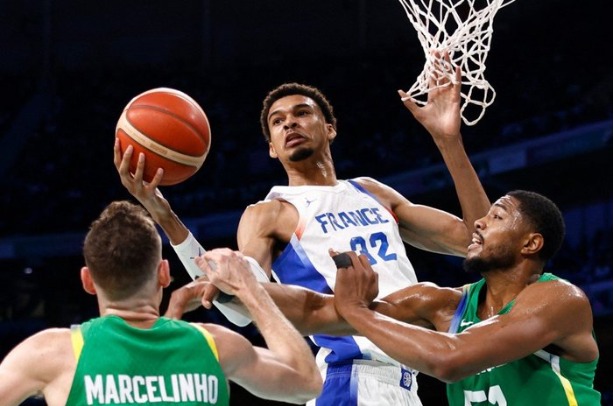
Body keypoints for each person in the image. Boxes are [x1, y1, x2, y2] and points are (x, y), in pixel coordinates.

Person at [114, 58, 490, 405]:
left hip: (408, 378)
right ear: (273, 150)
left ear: (330, 128)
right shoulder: (270, 213)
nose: (289, 123)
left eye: (301, 113)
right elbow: (242, 301)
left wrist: (448, 140)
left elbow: (482, 242)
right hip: (350, 378)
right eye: (277, 122)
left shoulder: (372, 192)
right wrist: (164, 215)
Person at [168, 190, 602, 405]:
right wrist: (244, 285)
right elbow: (320, 310)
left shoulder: (560, 300)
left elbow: (451, 359)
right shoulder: (444, 302)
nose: (479, 224)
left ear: (531, 244)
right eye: (483, 216)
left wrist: (357, 309)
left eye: (497, 216)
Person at [0, 201, 321, 406]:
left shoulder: (50, 353)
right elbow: (306, 382)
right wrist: (252, 290)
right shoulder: (216, 345)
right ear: (165, 274)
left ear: (87, 280)